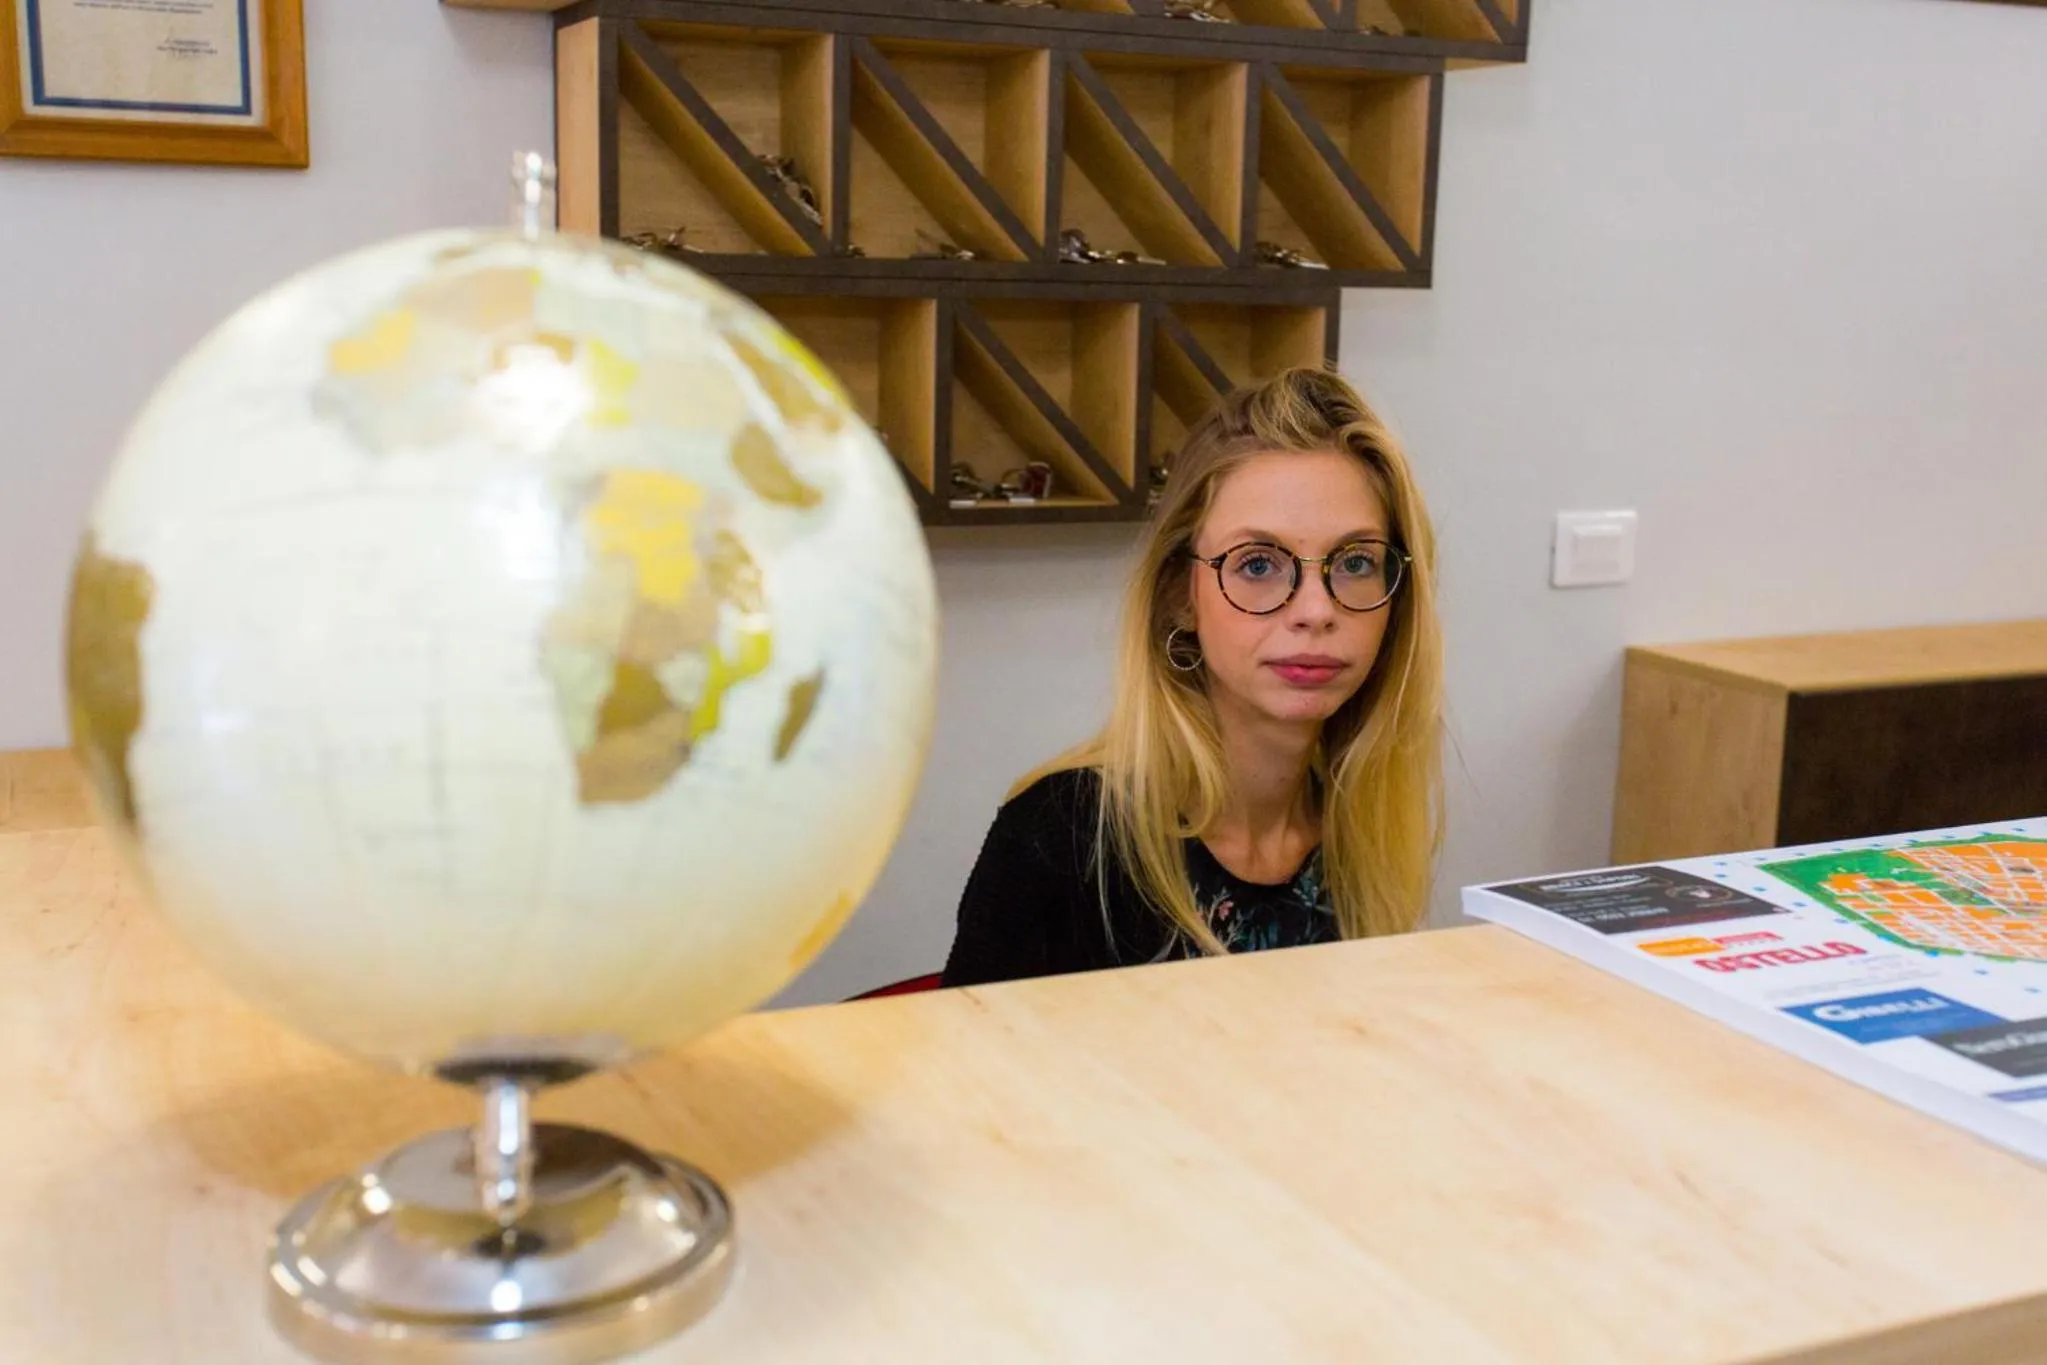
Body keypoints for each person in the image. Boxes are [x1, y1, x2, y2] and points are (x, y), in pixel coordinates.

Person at [941, 366, 1443, 988]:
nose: (1316, 610)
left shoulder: (1364, 828)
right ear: (1180, 594)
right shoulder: (1059, 838)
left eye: (1356, 562)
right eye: (1257, 563)